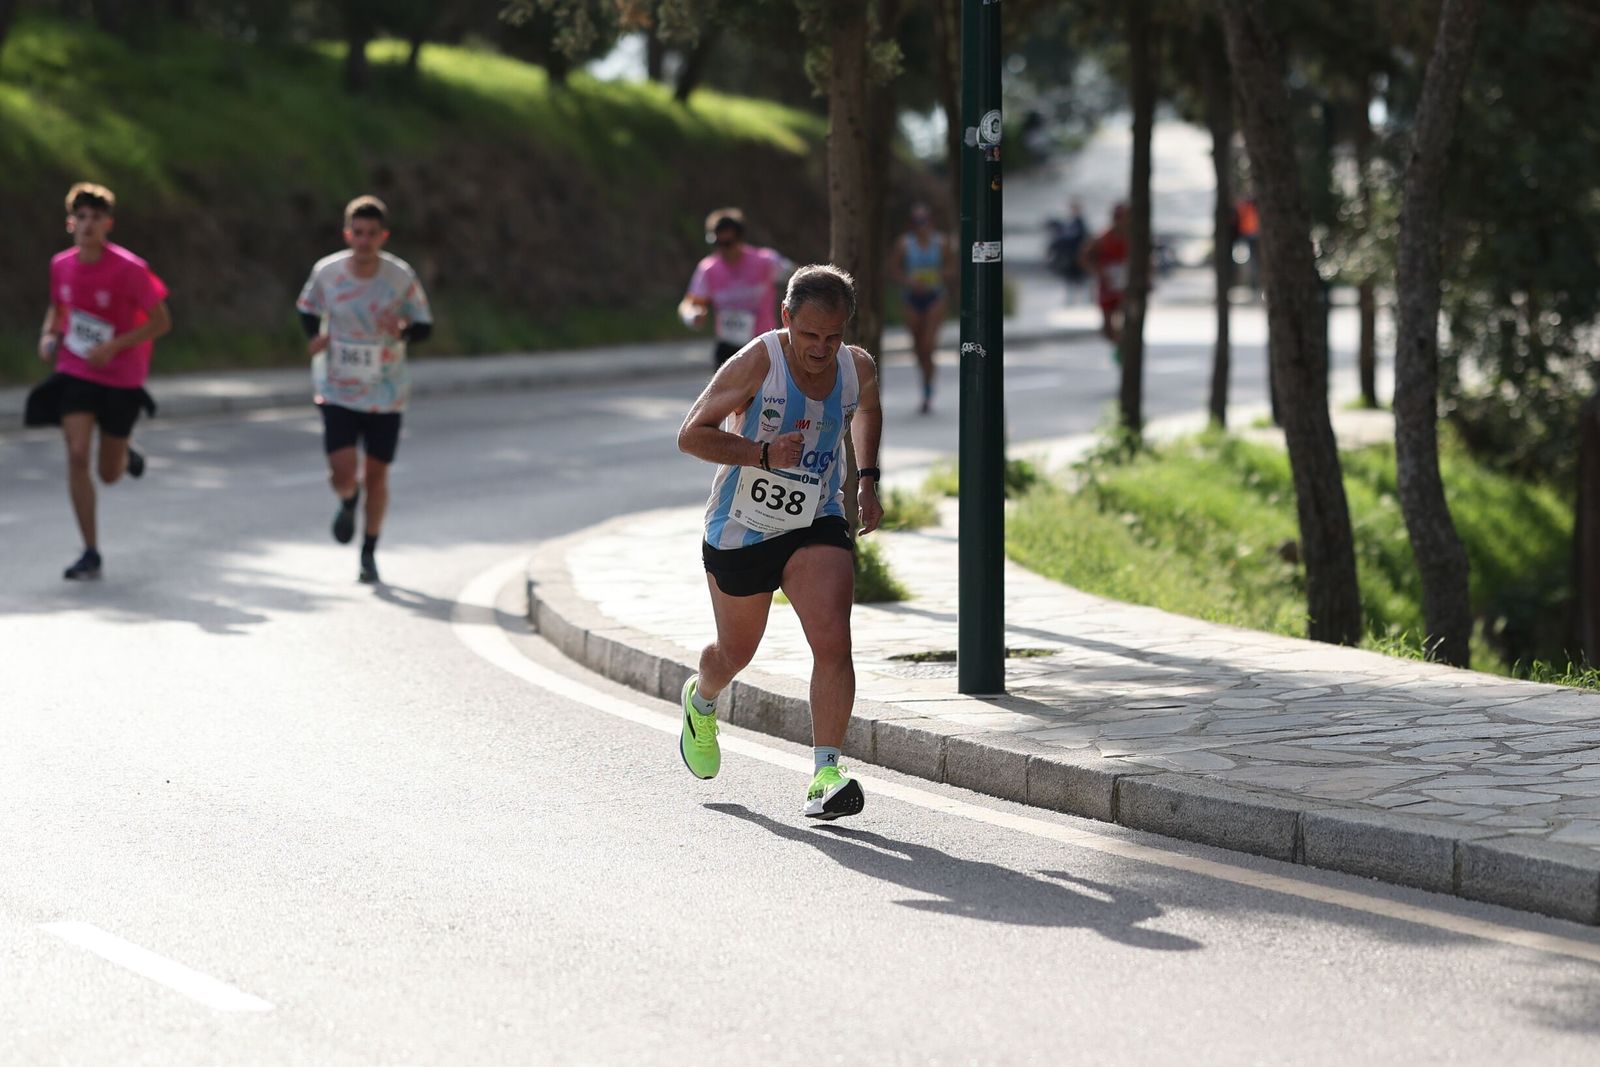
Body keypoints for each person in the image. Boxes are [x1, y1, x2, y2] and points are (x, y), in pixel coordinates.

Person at [675, 264, 884, 820]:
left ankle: (826, 773)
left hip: (814, 518)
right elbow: (690, 435)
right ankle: (701, 699)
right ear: (786, 317)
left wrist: (866, 481)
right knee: (734, 654)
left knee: (833, 640)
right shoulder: (758, 361)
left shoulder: (855, 366)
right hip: (741, 527)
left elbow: (867, 409)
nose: (821, 348)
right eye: (810, 334)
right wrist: (761, 454)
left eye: (833, 336)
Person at [32, 182, 171, 581]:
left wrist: (115, 347)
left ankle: (125, 453)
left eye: (96, 218)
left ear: (108, 224)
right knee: (77, 454)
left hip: (122, 375)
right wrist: (49, 334)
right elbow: (59, 308)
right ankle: (90, 551)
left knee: (109, 473)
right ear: (70, 222)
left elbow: (162, 322)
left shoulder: (130, 269)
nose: (88, 224)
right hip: (76, 369)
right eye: (81, 217)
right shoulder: (60, 264)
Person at [296, 195, 433, 584]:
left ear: (383, 236)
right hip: (337, 386)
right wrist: (314, 337)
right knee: (342, 471)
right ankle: (347, 498)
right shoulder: (328, 272)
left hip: (385, 391)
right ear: (347, 233)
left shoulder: (399, 276)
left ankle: (369, 552)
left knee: (376, 476)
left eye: (372, 234)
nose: (364, 240)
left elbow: (424, 324)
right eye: (358, 233)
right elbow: (306, 307)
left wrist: (404, 330)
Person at [678, 207, 794, 368]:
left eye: (728, 243)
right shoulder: (709, 269)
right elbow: (690, 303)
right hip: (728, 349)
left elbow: (799, 277)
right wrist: (692, 316)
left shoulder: (766, 261)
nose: (723, 249)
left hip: (764, 345)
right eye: (717, 243)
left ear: (740, 239)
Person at [890, 203, 953, 415]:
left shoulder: (942, 243)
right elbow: (894, 270)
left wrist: (938, 276)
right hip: (912, 298)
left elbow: (952, 268)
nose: (921, 226)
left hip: (935, 297)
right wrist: (909, 281)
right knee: (917, 347)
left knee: (928, 344)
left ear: (931, 222)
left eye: (924, 221)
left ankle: (928, 391)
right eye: (917, 222)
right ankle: (924, 380)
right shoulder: (904, 244)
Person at [1081, 202, 1130, 364]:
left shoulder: (1133, 240)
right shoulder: (1103, 238)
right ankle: (1120, 346)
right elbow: (1084, 257)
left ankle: (1126, 352)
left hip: (1126, 288)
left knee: (1126, 319)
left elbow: (1146, 261)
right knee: (1107, 329)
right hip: (1107, 287)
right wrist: (1098, 273)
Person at [1045, 198, 1088, 301]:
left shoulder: (1079, 223)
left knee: (1080, 282)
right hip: (1070, 257)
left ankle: (1081, 302)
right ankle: (1071, 301)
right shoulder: (1071, 224)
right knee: (1071, 282)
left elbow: (1075, 238)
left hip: (1077, 256)